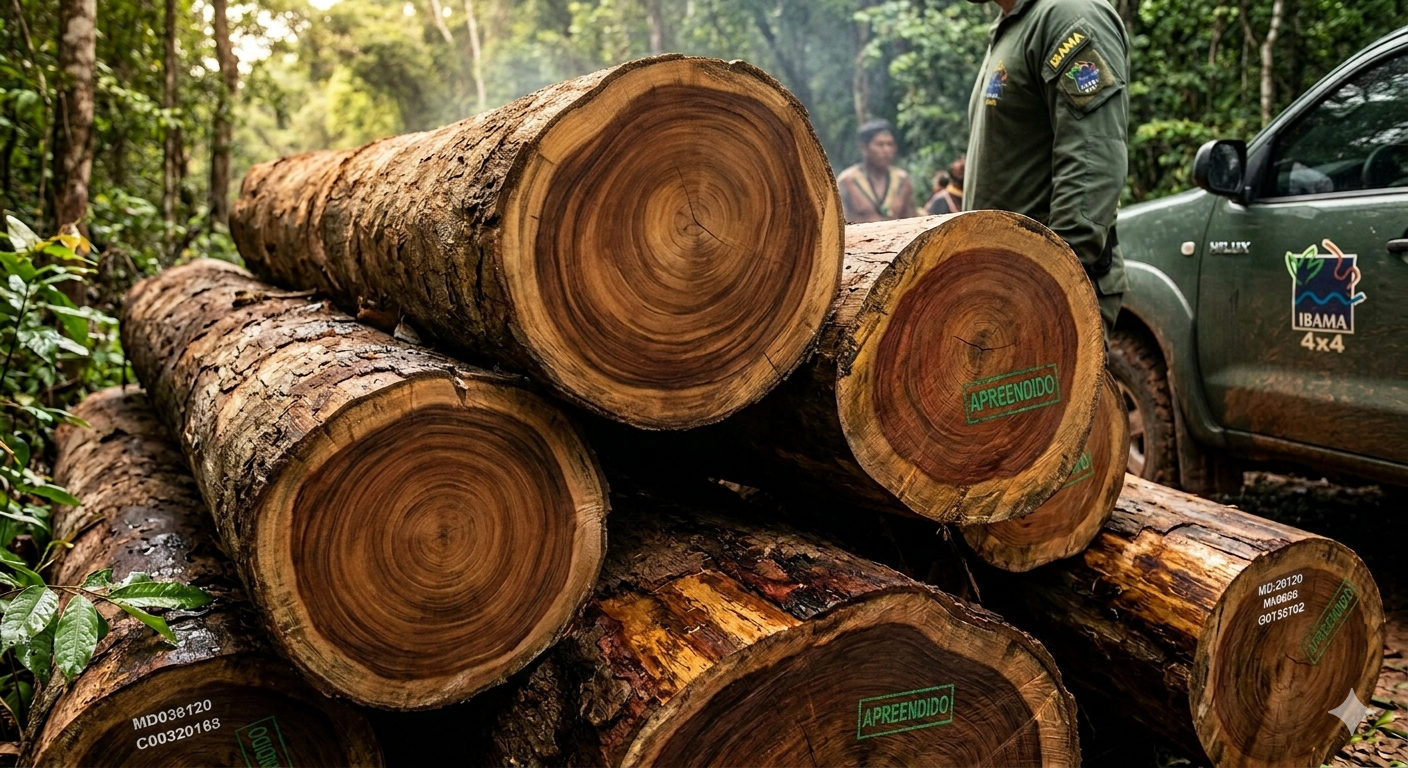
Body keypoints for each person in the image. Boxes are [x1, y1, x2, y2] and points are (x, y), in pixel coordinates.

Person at [963, 0, 1129, 331]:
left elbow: (1093, 162)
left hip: (1044, 297)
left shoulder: (1068, 13)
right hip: (1000, 292)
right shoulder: (1013, 24)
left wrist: (1050, 286)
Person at [837, 119, 919, 223]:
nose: (886, 150)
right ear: (863, 148)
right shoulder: (848, 181)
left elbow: (912, 220)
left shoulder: (902, 180)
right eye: (880, 144)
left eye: (890, 144)